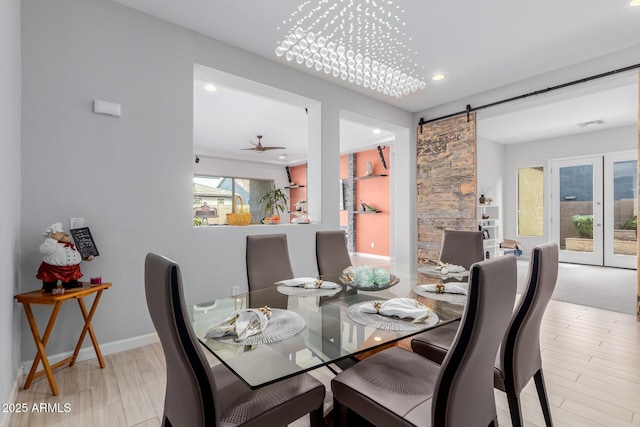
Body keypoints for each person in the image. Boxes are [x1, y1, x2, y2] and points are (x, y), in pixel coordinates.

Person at [36, 223, 93, 293]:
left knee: (71, 279)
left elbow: (79, 253)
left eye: (66, 234)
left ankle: (70, 284)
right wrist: (52, 240)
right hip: (53, 269)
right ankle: (50, 287)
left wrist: (86, 257)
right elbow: (43, 250)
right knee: (50, 280)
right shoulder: (53, 245)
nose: (66, 236)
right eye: (62, 235)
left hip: (72, 269)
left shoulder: (73, 245)